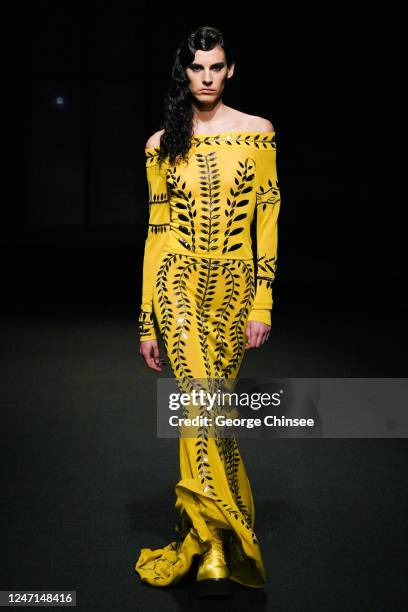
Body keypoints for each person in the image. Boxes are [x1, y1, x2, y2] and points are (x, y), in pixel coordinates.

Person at [135, 25, 281, 597]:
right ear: (185, 72)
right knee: (197, 396)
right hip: (177, 280)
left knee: (211, 413)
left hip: (234, 286)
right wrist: (148, 318)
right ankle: (219, 544)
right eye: (197, 69)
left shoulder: (258, 133)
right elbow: (155, 233)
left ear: (230, 70)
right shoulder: (160, 143)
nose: (206, 78)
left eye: (216, 67)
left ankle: (209, 531)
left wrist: (262, 301)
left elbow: (267, 221)